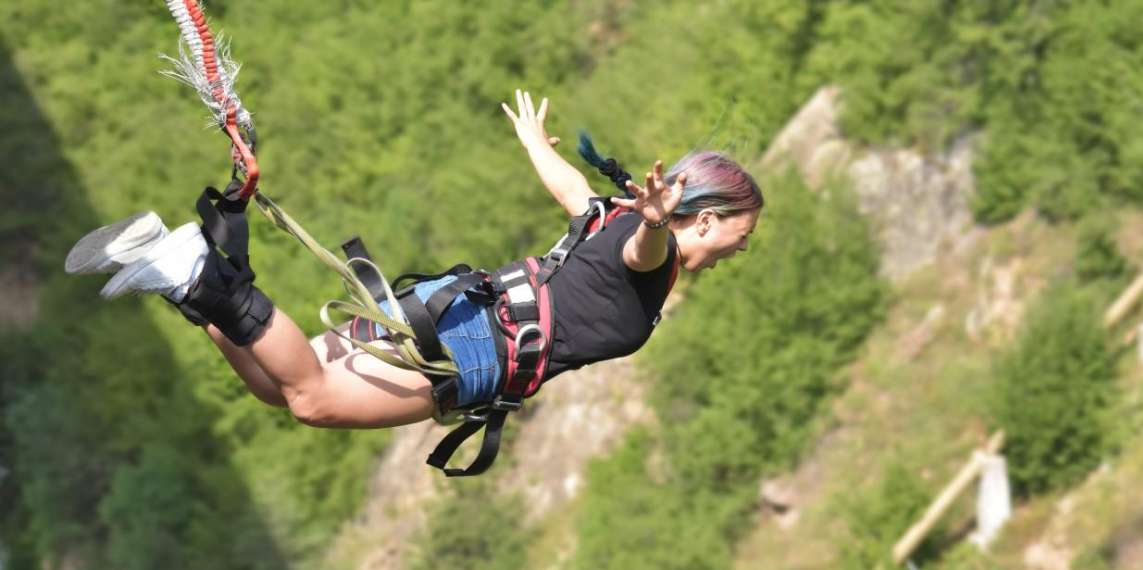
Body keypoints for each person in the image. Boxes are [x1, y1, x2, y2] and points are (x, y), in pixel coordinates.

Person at [65, 90, 763, 438]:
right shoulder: (651, 247)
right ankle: (196, 271)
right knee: (311, 399)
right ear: (705, 219)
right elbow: (646, 252)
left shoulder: (608, 214)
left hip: (457, 310)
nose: (739, 249)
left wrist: (532, 143)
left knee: (281, 389)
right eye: (741, 235)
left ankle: (184, 282)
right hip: (471, 348)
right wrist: (649, 225)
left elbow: (572, 192)